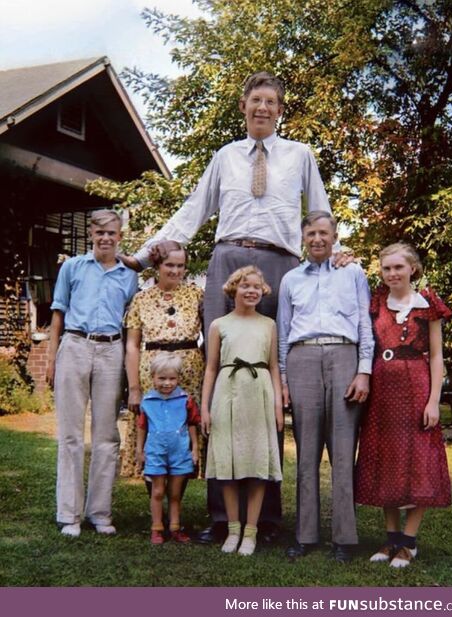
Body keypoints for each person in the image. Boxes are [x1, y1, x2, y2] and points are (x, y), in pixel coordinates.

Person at [121, 71, 338, 543]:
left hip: (280, 262)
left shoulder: (300, 156)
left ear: (281, 110)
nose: (263, 108)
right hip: (228, 257)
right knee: (222, 382)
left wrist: (337, 253)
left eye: (271, 102)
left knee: (267, 381)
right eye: (255, 100)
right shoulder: (224, 157)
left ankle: (269, 518)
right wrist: (142, 254)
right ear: (243, 106)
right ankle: (222, 518)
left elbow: (319, 214)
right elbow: (193, 211)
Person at [277, 211, 374, 563]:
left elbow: (365, 323)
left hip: (344, 357)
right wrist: (285, 380)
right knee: (306, 452)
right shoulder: (291, 279)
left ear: (335, 236)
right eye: (310, 234)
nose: (317, 239)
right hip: (303, 359)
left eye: (323, 233)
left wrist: (363, 371)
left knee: (343, 450)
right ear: (303, 238)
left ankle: (345, 538)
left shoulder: (352, 272)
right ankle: (305, 535)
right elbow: (284, 332)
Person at [355, 243, 452, 568]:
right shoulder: (376, 302)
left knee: (417, 460)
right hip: (383, 390)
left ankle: (409, 542)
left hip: (417, 389)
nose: (392, 273)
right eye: (386, 268)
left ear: (413, 268)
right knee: (387, 459)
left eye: (399, 267)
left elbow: (437, 355)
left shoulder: (428, 305)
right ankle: (391, 537)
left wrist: (433, 401)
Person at [47, 210, 138, 537]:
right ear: (91, 234)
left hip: (111, 350)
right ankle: (69, 514)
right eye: (100, 232)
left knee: (106, 435)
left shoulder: (129, 276)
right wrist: (52, 358)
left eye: (111, 233)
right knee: (70, 434)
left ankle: (99, 512)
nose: (105, 238)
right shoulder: (72, 267)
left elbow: (131, 323)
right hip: (74, 345)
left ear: (120, 236)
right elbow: (58, 314)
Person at [201, 266, 283, 556]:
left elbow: (273, 366)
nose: (251, 291)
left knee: (256, 465)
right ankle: (233, 529)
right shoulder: (219, 325)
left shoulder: (268, 325)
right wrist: (205, 407)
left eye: (256, 287)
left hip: (258, 393)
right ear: (233, 289)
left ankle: (251, 532)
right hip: (227, 393)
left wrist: (277, 404)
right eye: (245, 285)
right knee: (229, 464)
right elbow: (211, 368)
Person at [122, 241, 204, 479]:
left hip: (189, 372)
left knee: (183, 429)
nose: (175, 271)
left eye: (181, 266)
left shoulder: (196, 294)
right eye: (170, 265)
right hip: (152, 371)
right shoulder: (142, 299)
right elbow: (132, 345)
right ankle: (156, 500)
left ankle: (178, 502)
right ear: (157, 265)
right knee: (156, 430)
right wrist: (134, 388)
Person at [136, 352, 200, 545]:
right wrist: (140, 451)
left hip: (179, 452)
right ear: (153, 377)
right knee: (157, 491)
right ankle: (156, 528)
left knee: (174, 493)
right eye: (162, 378)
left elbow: (191, 424)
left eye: (172, 378)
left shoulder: (185, 400)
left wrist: (194, 448)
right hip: (156, 452)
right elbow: (142, 427)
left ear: (179, 378)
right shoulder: (147, 402)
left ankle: (175, 528)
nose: (167, 383)